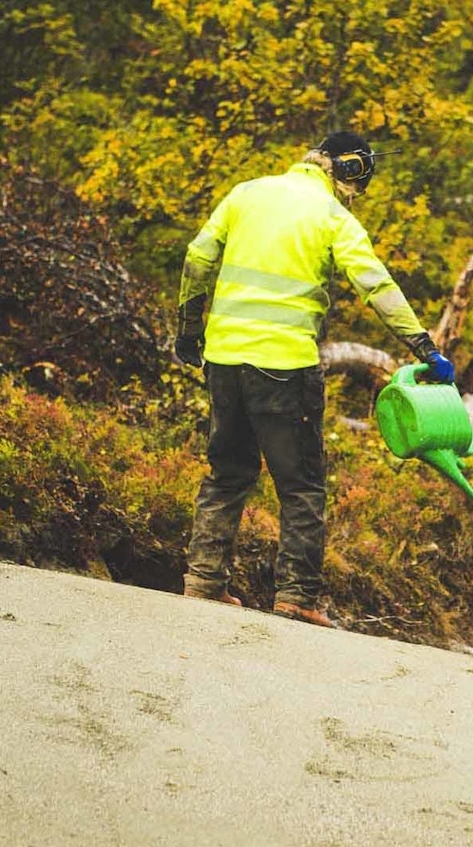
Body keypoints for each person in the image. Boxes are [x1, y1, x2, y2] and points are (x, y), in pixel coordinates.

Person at [173, 131, 454, 628]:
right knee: (301, 484)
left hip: (223, 357)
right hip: (284, 366)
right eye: (359, 179)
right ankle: (298, 595)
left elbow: (198, 257)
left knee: (228, 471)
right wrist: (424, 347)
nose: (357, 191)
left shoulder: (246, 193)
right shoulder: (332, 217)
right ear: (346, 170)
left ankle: (204, 580)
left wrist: (189, 330)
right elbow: (376, 285)